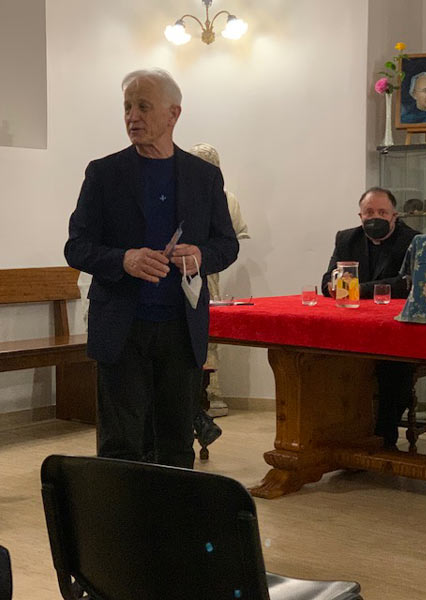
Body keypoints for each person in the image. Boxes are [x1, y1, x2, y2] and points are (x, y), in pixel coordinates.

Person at [64, 68, 239, 469]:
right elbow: (76, 247)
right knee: (121, 445)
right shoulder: (104, 173)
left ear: (173, 114)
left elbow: (226, 245)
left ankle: (173, 510)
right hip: (122, 328)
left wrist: (200, 256)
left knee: (176, 444)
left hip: (181, 327)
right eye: (127, 107)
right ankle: (120, 510)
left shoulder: (204, 177)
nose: (132, 117)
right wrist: (123, 259)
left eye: (143, 107)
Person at [322, 187, 420, 447]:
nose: (375, 217)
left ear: (394, 216)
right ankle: (338, 435)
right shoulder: (347, 239)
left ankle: (383, 438)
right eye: (369, 212)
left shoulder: (412, 240)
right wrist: (334, 285)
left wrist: (356, 289)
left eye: (382, 212)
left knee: (393, 368)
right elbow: (327, 281)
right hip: (351, 329)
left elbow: (406, 284)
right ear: (360, 215)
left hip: (395, 332)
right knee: (324, 360)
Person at [189, 143, 250, 439]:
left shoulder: (226, 199)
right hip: (186, 273)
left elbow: (231, 239)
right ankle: (196, 397)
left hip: (210, 271)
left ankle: (212, 392)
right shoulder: (184, 197)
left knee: (209, 329)